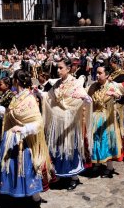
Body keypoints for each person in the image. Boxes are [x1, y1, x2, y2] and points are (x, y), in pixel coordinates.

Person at [0, 69, 52, 206]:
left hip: (24, 140)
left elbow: (38, 122)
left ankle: (34, 196)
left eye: (13, 79)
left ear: (17, 81)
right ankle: (14, 192)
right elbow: (10, 113)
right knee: (11, 167)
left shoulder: (29, 99)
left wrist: (24, 129)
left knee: (27, 167)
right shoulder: (16, 97)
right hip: (12, 138)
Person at [39, 58, 92, 190]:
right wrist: (40, 93)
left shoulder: (75, 83)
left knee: (69, 149)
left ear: (68, 69)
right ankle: (59, 175)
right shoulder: (57, 83)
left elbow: (85, 100)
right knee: (57, 149)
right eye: (57, 68)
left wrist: (85, 98)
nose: (58, 70)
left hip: (69, 123)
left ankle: (74, 177)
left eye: (60, 68)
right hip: (56, 122)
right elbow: (49, 97)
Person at [88, 66, 124, 178]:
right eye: (96, 73)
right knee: (96, 140)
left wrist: (116, 96)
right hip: (95, 118)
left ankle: (110, 167)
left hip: (107, 118)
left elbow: (123, 99)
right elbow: (87, 97)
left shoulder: (112, 86)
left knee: (107, 141)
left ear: (107, 75)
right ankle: (97, 162)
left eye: (100, 73)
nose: (97, 75)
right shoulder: (93, 86)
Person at [0, 77, 14, 150]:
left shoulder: (10, 95)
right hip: (1, 119)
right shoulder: (4, 94)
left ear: (7, 86)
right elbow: (1, 104)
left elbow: (8, 108)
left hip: (6, 120)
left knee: (3, 137)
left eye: (0, 84)